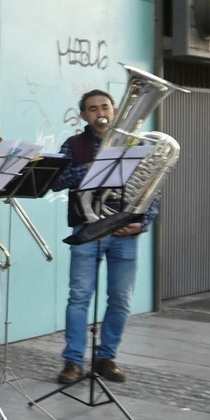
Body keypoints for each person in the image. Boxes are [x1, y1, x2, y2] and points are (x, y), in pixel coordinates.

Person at [50, 89, 153, 384]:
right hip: (88, 229)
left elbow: (152, 187)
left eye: (104, 106)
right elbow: (58, 181)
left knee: (121, 299)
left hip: (126, 232)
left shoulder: (137, 144)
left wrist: (143, 221)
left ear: (116, 110)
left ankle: (107, 357)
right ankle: (73, 362)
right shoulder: (73, 145)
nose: (100, 112)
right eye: (92, 109)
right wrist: (93, 166)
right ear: (84, 115)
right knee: (79, 297)